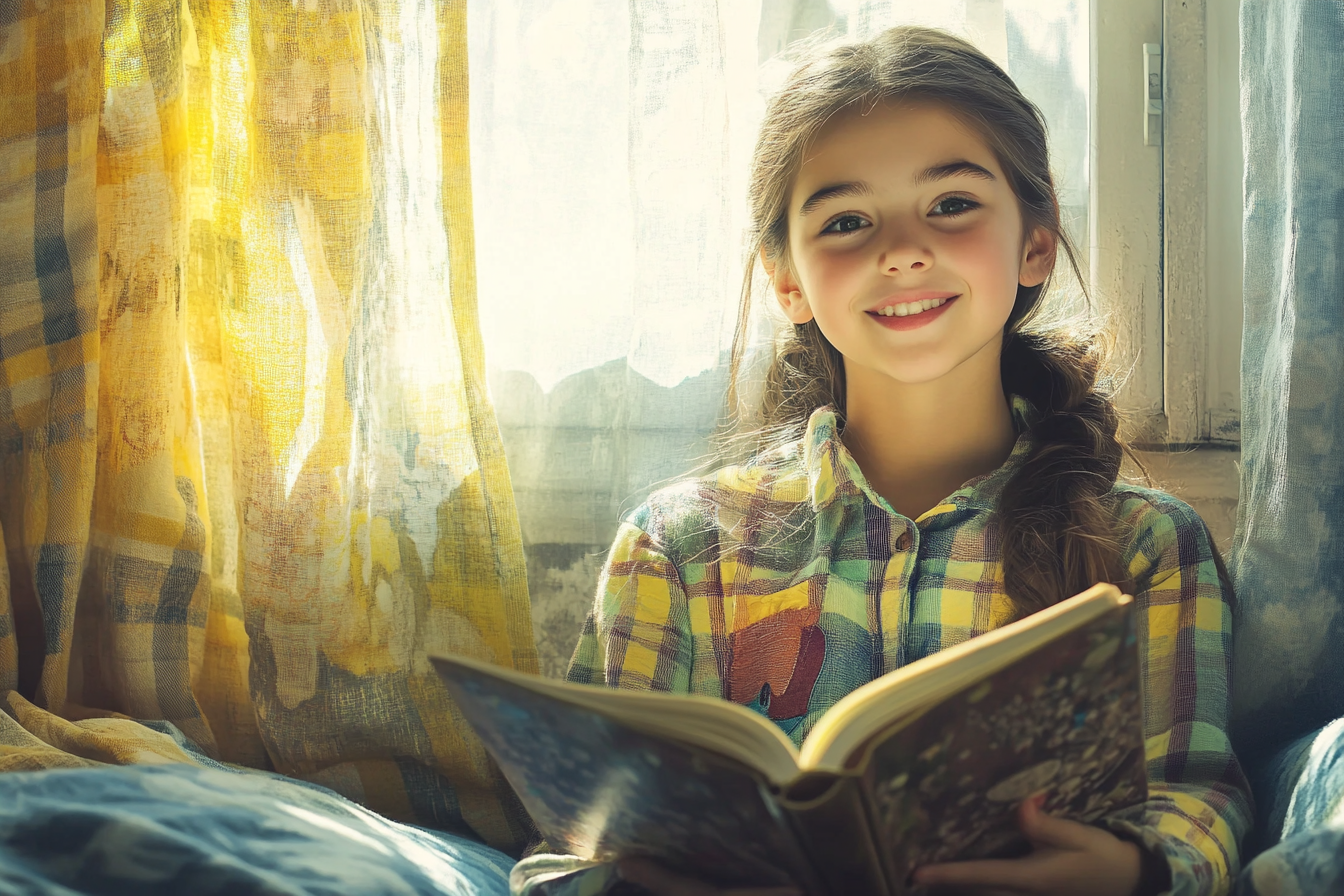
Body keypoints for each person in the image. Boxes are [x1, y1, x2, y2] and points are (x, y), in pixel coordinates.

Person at [513, 25, 1251, 896]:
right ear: (787, 280)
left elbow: (1196, 799)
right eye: (847, 221)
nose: (901, 250)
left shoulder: (1147, 546)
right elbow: (565, 858)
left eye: (950, 205)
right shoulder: (675, 550)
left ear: (1035, 241)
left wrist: (1130, 870)